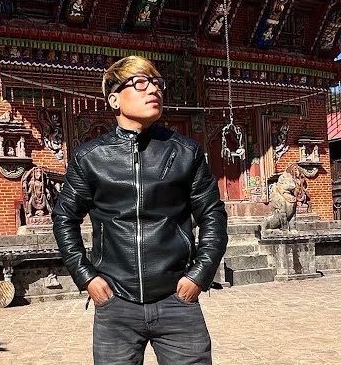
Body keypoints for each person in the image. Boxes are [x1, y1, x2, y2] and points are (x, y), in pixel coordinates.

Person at [53, 56, 228, 365]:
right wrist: (87, 277)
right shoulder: (90, 157)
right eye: (140, 83)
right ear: (114, 99)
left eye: (157, 83)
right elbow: (64, 218)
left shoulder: (186, 152)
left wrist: (199, 276)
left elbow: (212, 214)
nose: (153, 90)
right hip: (115, 302)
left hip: (177, 299)